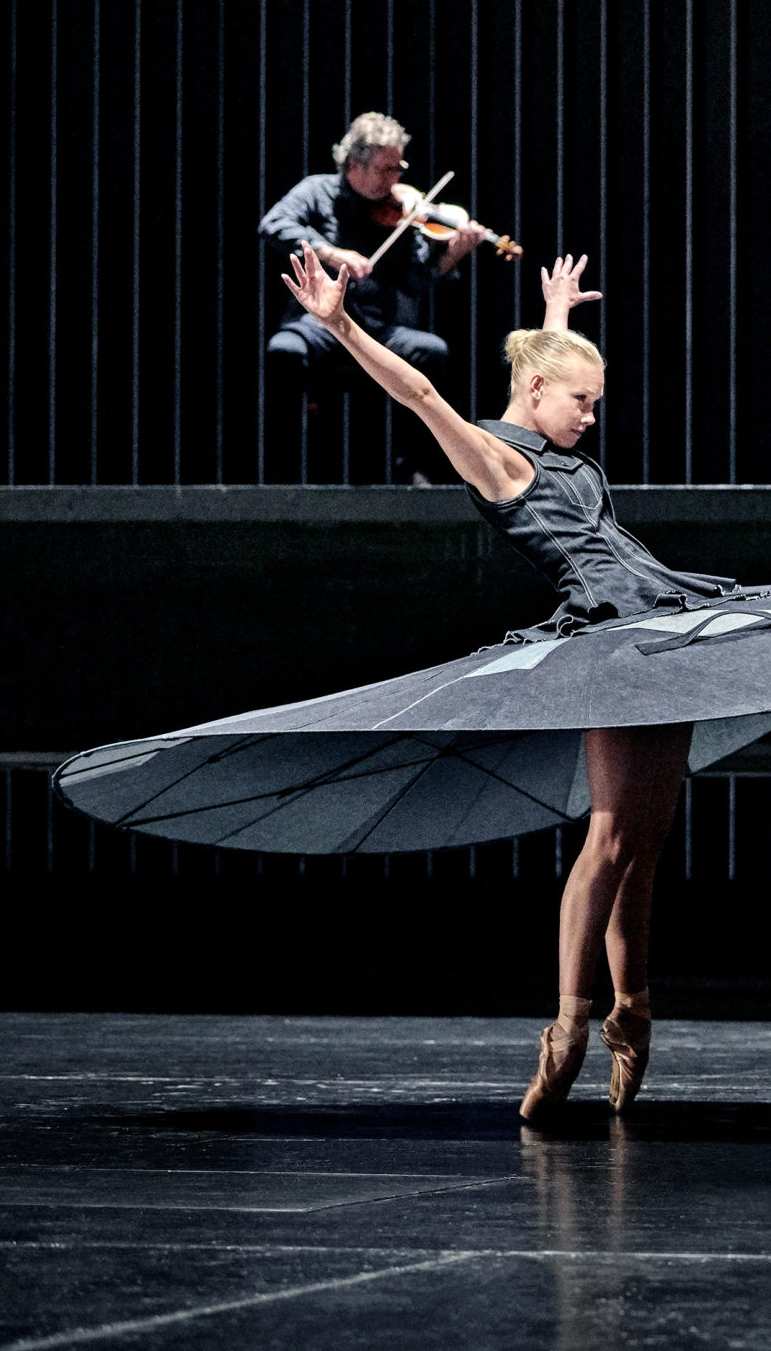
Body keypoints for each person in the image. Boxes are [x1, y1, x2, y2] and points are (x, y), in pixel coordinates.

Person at [278, 247, 705, 1119]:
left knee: (648, 841)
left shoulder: (552, 416)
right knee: (611, 838)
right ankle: (569, 1026)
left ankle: (633, 1012)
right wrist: (342, 324)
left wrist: (557, 316)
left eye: (595, 401)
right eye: (582, 401)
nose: (591, 416)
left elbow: (542, 375)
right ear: (541, 393)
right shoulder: (495, 460)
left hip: (667, 615)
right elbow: (420, 393)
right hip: (612, 638)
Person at [261, 112, 490, 481]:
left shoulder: (405, 211)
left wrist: (452, 255)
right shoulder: (317, 190)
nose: (394, 178)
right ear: (354, 165)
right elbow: (274, 224)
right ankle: (285, 467)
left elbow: (415, 282)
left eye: (398, 167)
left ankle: (411, 465)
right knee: (284, 351)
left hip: (378, 329)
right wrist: (330, 252)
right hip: (322, 325)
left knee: (432, 353)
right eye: (385, 169)